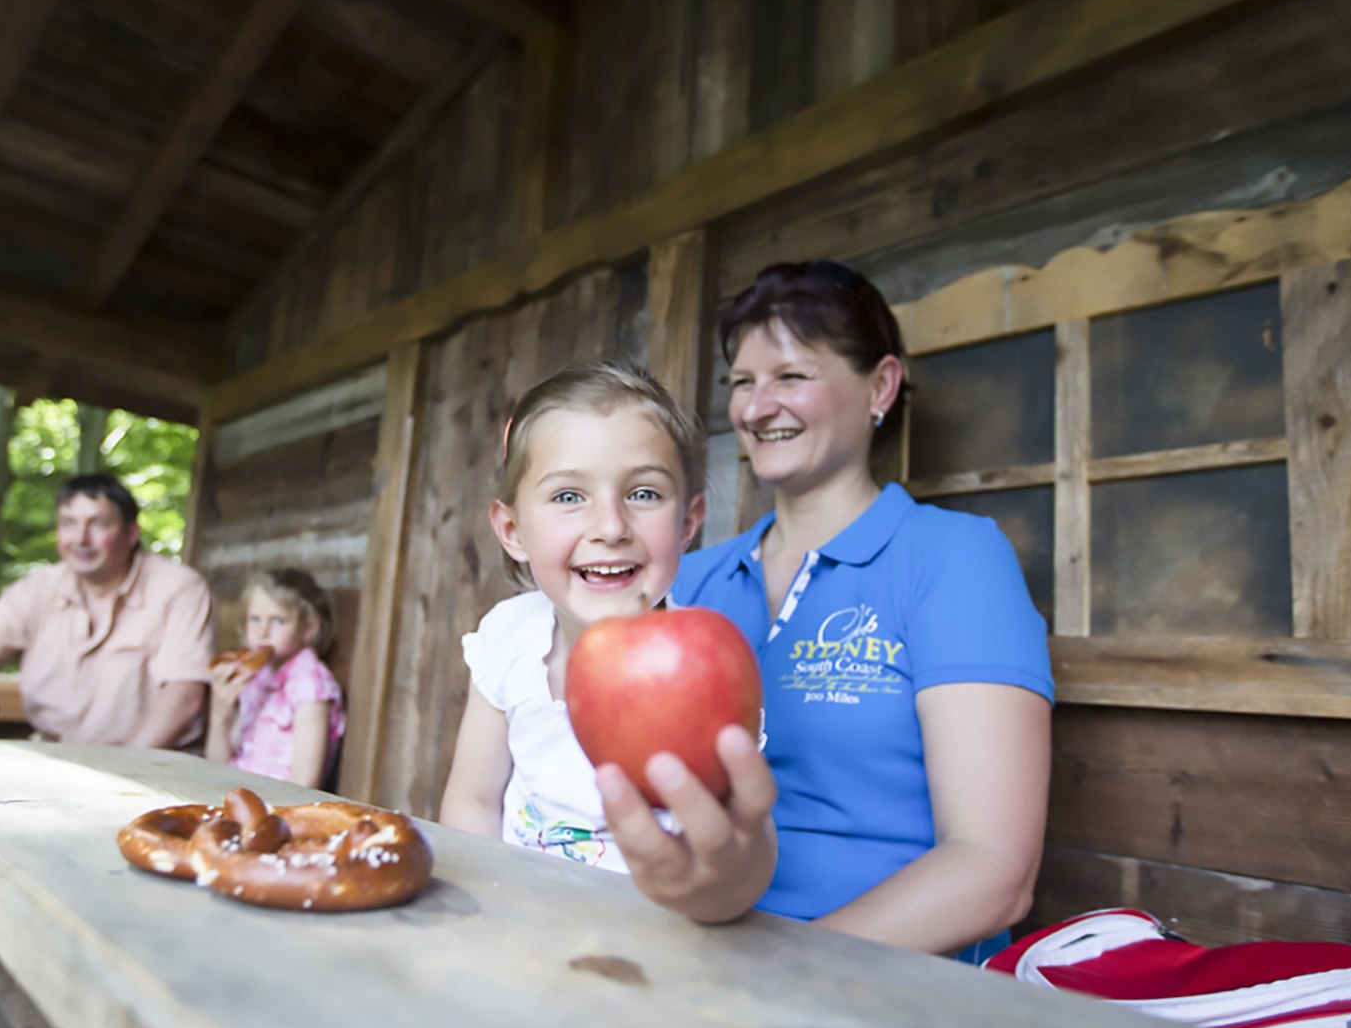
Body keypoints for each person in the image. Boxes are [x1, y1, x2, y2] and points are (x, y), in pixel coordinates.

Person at [607, 260, 1054, 962]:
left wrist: (784, 972)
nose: (756, 408)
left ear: (880, 385)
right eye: (743, 383)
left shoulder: (952, 556)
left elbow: (993, 873)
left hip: (888, 974)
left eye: (790, 377)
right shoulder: (690, 579)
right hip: (697, 945)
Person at [437, 362, 763, 893]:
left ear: (687, 522)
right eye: (569, 496)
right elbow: (473, 798)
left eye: (643, 494)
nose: (611, 527)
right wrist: (492, 905)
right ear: (513, 530)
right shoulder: (509, 638)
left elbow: (740, 844)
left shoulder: (705, 667)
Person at [0, 473, 214, 749]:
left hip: (150, 768)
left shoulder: (179, 588)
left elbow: (185, 696)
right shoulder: (39, 587)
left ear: (132, 533)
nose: (81, 538)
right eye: (69, 524)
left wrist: (120, 773)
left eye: (98, 524)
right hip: (54, 756)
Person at [205, 568, 346, 789]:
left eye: (278, 621)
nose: (262, 632)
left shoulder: (310, 684)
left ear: (309, 627)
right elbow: (216, 768)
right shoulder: (255, 677)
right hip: (233, 795)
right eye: (255, 619)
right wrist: (219, 715)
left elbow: (305, 784)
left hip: (276, 809)